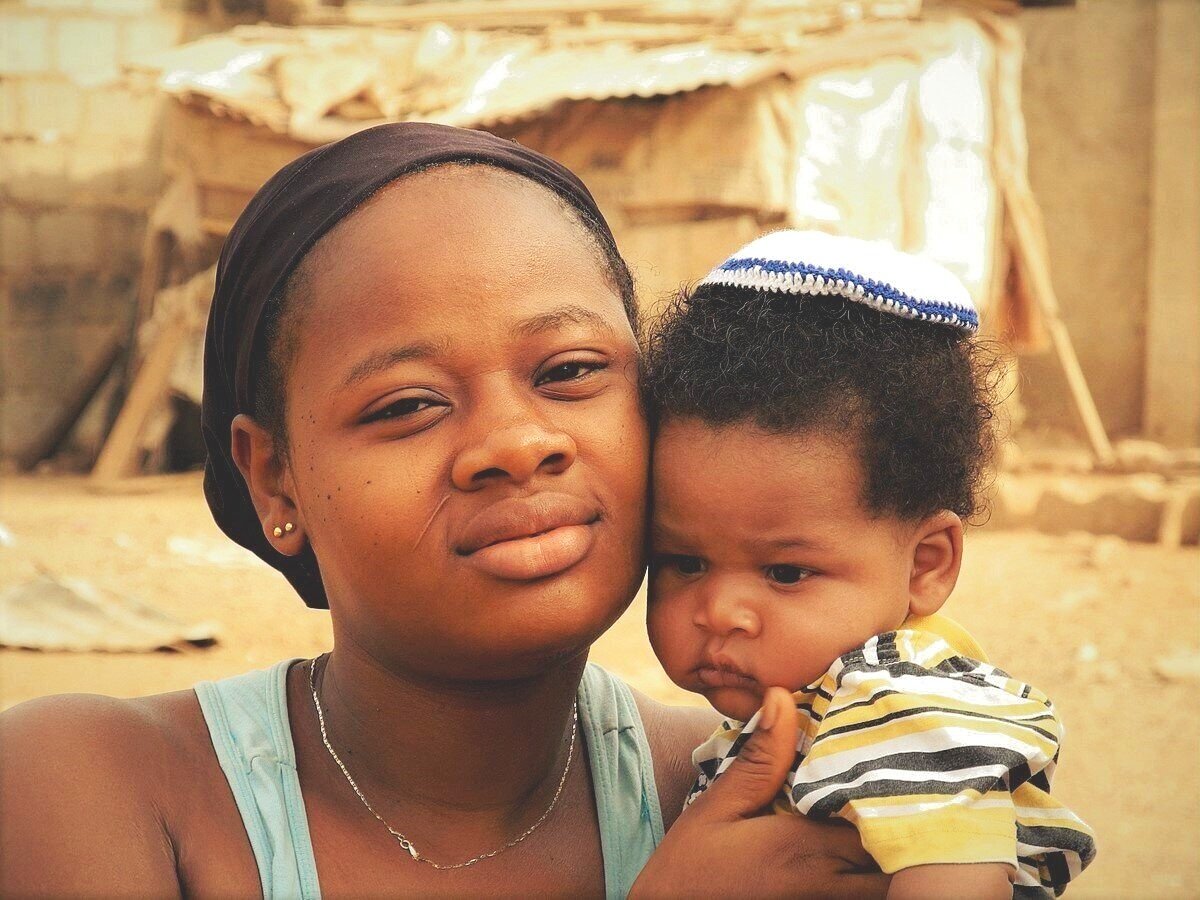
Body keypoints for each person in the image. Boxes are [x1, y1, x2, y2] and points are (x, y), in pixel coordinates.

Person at [0, 126, 887, 898]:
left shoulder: (769, 789)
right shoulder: (98, 788)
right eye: (408, 405)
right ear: (276, 480)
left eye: (571, 371)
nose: (514, 442)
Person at [642, 230, 1097, 899]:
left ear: (926, 566)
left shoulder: (900, 706)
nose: (719, 612)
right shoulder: (813, 706)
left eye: (785, 573)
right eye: (683, 561)